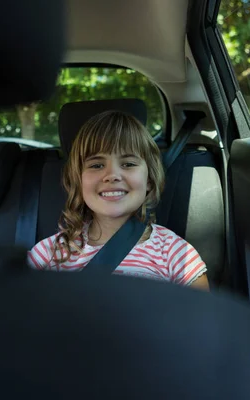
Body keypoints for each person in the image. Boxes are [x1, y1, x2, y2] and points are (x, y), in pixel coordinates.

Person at [27, 110, 209, 291]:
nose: (112, 175)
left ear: (149, 180)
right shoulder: (49, 254)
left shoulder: (174, 253)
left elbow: (201, 317)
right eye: (96, 165)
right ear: (78, 181)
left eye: (128, 164)